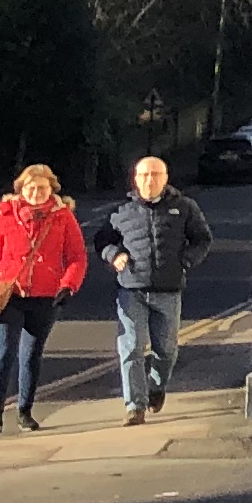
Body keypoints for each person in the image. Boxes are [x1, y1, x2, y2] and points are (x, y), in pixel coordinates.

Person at [0, 164, 86, 432]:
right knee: (4, 351)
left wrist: (68, 285)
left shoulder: (63, 217)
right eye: (30, 188)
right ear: (21, 189)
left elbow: (77, 257)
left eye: (42, 188)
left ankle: (24, 412)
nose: (36, 193)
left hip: (45, 297)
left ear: (51, 190)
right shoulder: (5, 215)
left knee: (31, 355)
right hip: (9, 294)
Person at [94, 154, 216, 423]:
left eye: (155, 175)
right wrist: (115, 255)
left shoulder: (184, 207)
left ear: (165, 178)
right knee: (132, 347)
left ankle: (156, 387)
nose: (150, 180)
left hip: (169, 290)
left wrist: (185, 261)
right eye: (144, 175)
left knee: (167, 350)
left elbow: (202, 240)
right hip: (131, 289)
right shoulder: (121, 211)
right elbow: (102, 241)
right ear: (136, 179)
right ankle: (134, 406)